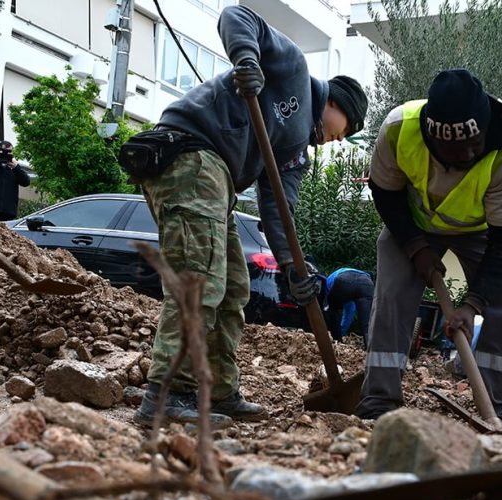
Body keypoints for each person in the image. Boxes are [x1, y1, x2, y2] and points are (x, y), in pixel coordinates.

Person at [120, 5, 368, 426]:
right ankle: (167, 395)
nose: (339, 139)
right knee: (200, 280)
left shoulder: (295, 155)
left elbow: (279, 212)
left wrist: (293, 267)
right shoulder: (292, 70)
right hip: (191, 153)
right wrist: (247, 59)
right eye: (346, 127)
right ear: (334, 101)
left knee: (235, 287)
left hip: (217, 181)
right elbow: (237, 16)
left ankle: (219, 390)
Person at [354, 69, 502, 424]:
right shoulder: (398, 129)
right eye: (454, 151)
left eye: (475, 145)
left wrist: (472, 305)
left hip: (484, 231)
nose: (467, 155)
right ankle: (379, 402)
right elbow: (386, 194)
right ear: (431, 139)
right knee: (393, 293)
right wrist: (415, 246)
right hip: (412, 223)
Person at [321, 267, 374, 345]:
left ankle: (337, 341)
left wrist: (341, 332)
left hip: (344, 279)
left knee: (334, 311)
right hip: (367, 283)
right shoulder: (364, 276)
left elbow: (327, 303)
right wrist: (343, 330)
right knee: (366, 323)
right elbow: (349, 313)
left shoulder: (330, 280)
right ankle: (370, 348)